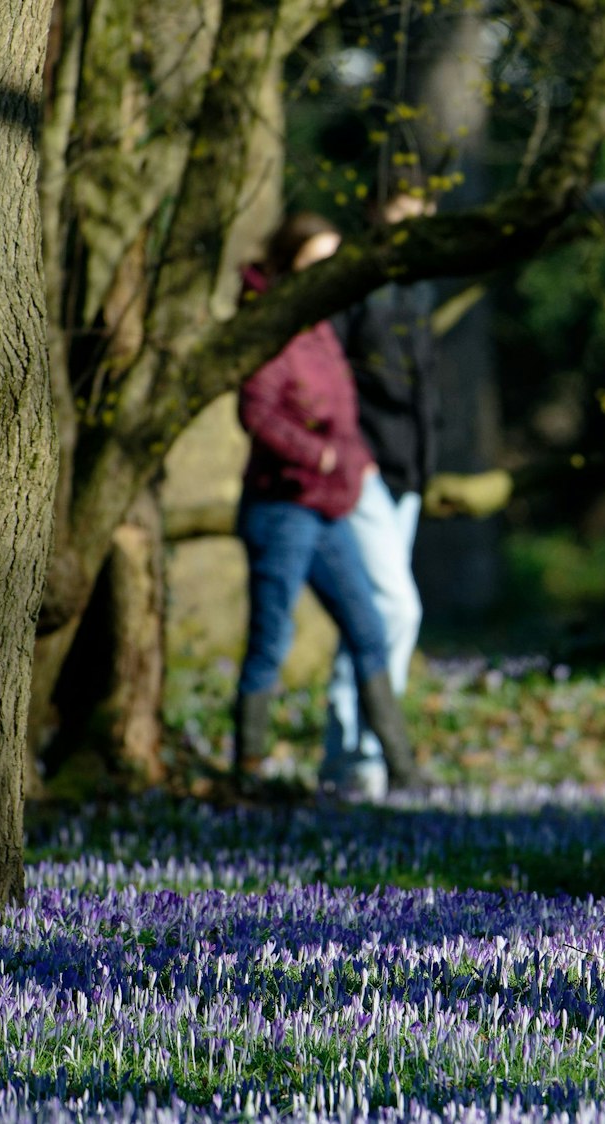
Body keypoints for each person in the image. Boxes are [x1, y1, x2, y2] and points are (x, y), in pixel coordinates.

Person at [233, 212, 421, 794]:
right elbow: (257, 413)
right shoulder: (268, 326)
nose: (330, 274)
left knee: (368, 627)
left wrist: (355, 459)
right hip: (282, 507)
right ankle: (250, 767)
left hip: (329, 508)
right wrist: (317, 456)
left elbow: (342, 406)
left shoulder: (318, 326)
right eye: (318, 262)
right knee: (272, 636)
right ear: (289, 264)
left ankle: (402, 767)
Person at [319, 191, 442, 801]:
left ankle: (344, 757)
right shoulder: (353, 283)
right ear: (374, 212)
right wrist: (351, 456)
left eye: (423, 217)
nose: (412, 229)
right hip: (363, 469)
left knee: (365, 616)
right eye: (401, 216)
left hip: (407, 475)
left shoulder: (419, 286)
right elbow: (333, 379)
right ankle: (369, 752)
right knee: (396, 610)